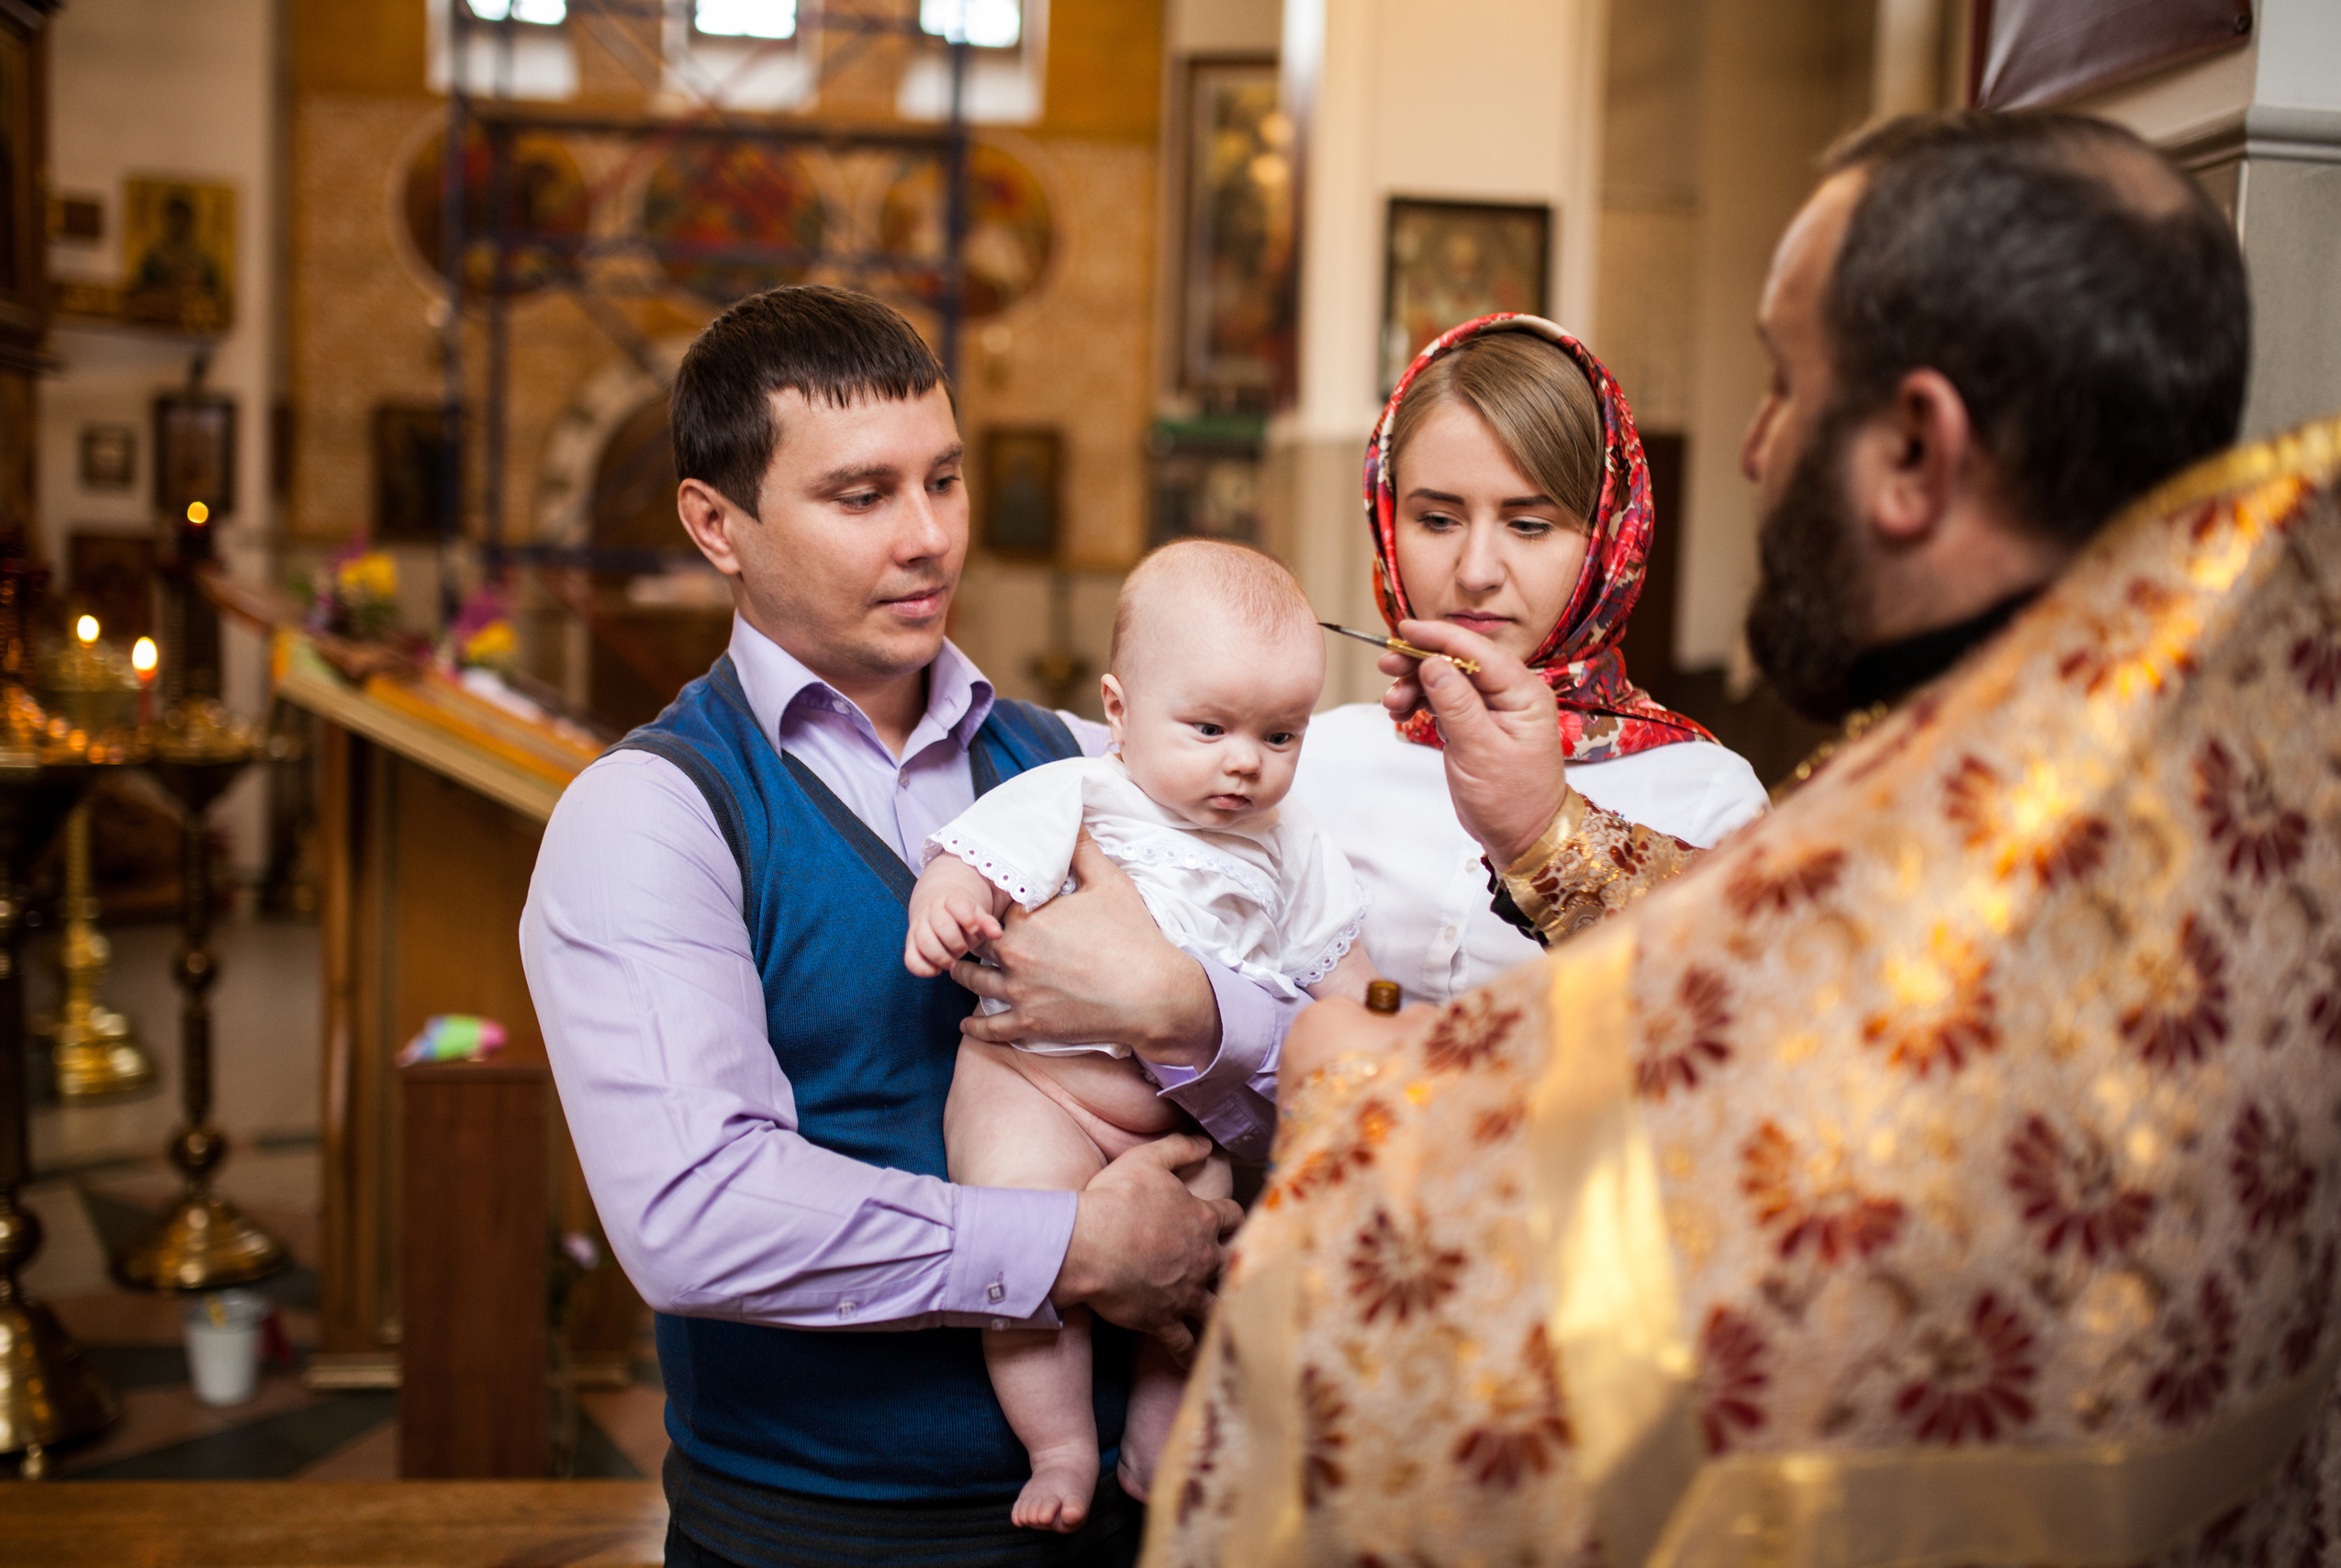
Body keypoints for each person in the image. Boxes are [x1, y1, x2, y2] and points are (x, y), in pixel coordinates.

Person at [1144, 111, 2341, 1568]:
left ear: (1914, 450)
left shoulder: (1952, 847)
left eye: (1785, 386)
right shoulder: (2258, 794)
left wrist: (1343, 1102)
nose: (1757, 448)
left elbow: (1619, 1310)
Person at [521, 286, 1283, 1568]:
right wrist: (1067, 1250)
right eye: (862, 496)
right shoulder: (650, 816)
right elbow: (696, 1212)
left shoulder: (1088, 763)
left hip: (1142, 1516)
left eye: (945, 480)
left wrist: (1190, 1015)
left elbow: (1301, 1043)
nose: (929, 537)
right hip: (824, 1535)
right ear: (717, 525)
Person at [908, 541, 1373, 1533]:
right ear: (1119, 709)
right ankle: (1062, 1444)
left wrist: (1359, 1011)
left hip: (1179, 1121)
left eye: (1281, 735)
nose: (1245, 762)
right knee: (1022, 1233)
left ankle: (1159, 1446)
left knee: (1204, 1261)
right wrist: (946, 903)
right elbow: (972, 858)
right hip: (1037, 1085)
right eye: (1208, 727)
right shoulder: (1082, 792)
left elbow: (1343, 973)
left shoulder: (1295, 843)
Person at [1291, 316, 1765, 1001]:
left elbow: (1736, 1038)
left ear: (1609, 539)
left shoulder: (1707, 799)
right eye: (1437, 520)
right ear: (1387, 522)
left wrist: (1550, 832)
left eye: (1529, 525)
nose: (1477, 570)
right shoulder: (1310, 762)